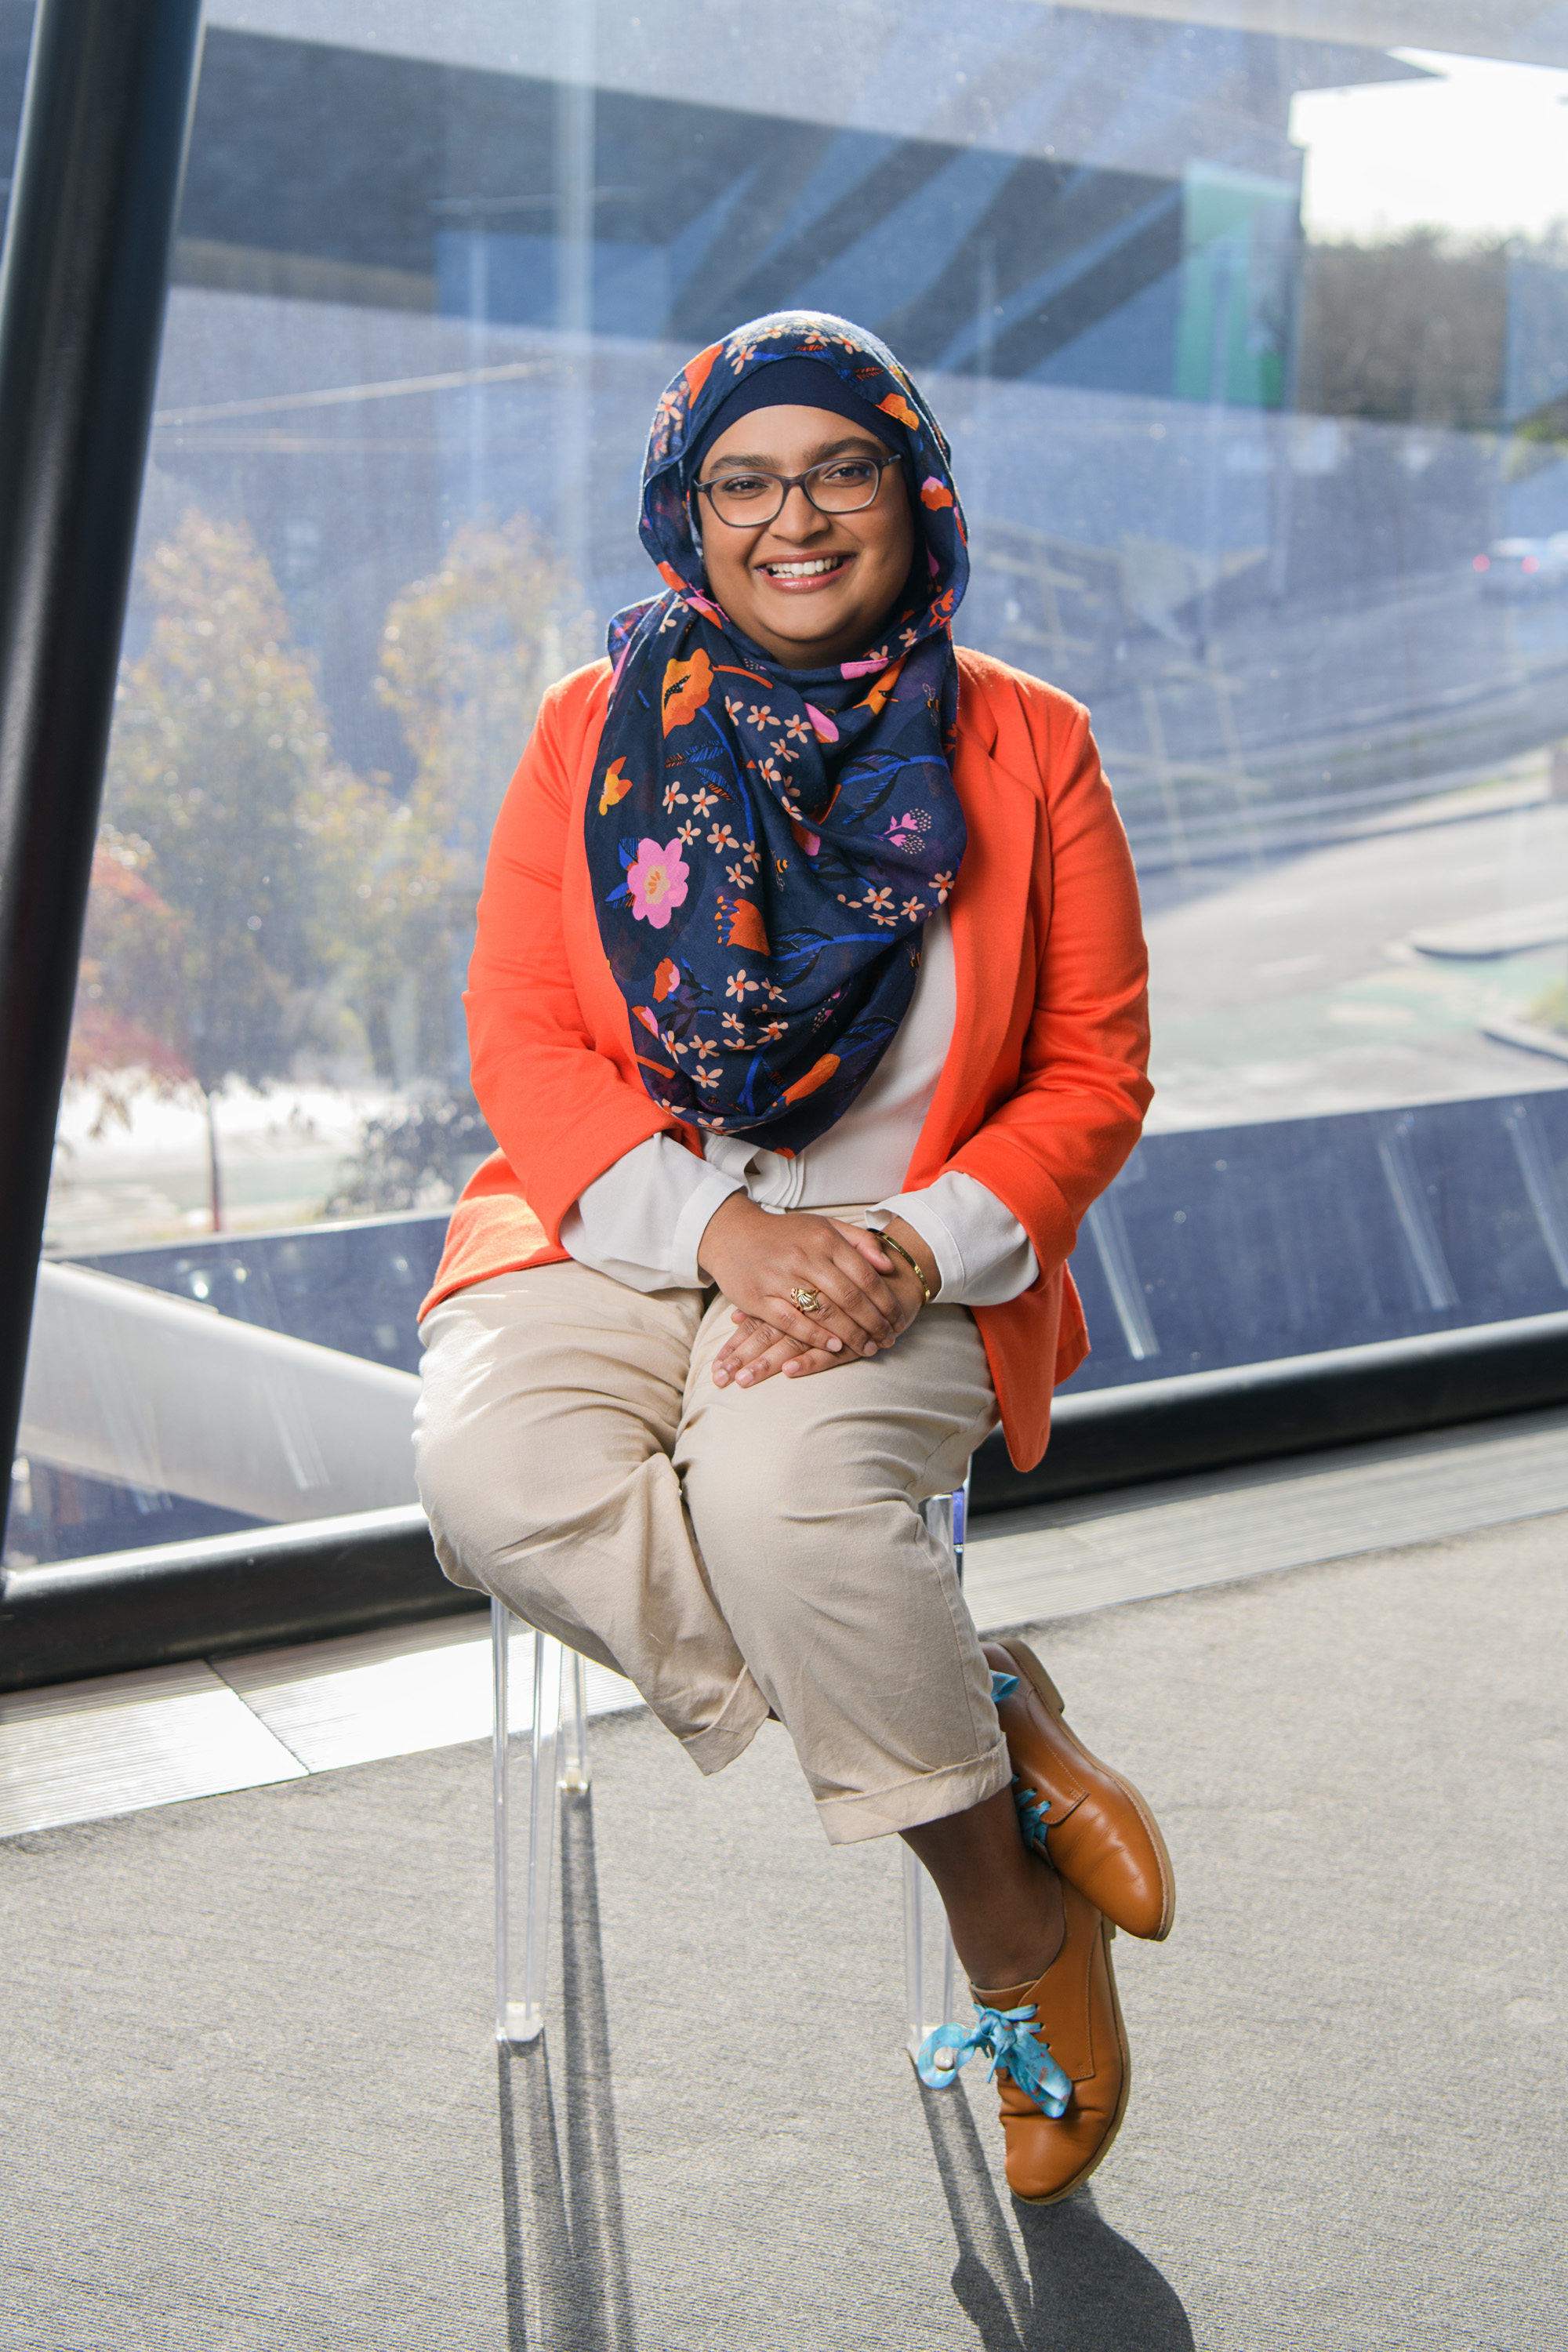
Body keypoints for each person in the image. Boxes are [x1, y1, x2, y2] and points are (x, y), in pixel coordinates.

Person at [414, 310, 1173, 2205]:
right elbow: (517, 1035)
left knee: (789, 1502)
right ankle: (989, 1778)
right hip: (625, 1216)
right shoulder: (589, 733)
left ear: (913, 493)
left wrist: (908, 1252)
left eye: (840, 470)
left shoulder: (1032, 745)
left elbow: (1092, 1072)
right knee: (494, 1480)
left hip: (901, 1244)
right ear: (690, 509)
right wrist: (723, 1233)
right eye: (744, 482)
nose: (794, 518)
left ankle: (1000, 1919)